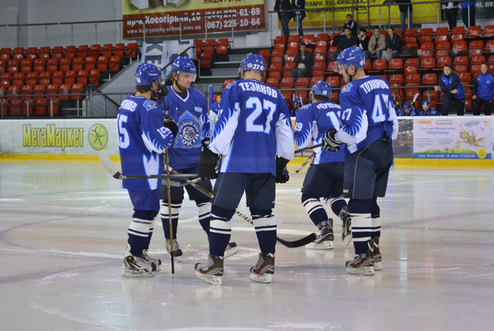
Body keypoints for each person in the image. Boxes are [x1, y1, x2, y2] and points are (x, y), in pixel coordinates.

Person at [194, 53, 295, 285]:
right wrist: (281, 162)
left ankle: (215, 263)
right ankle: (267, 262)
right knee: (263, 214)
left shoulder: (235, 88)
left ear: (242, 70)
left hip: (236, 163)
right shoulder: (278, 95)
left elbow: (227, 121)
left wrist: (212, 151)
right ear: (263, 73)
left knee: (220, 212)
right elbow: (285, 134)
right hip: (266, 165)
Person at [322, 47, 398, 276]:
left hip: (365, 152)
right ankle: (375, 254)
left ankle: (363, 257)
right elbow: (393, 123)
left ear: (352, 67)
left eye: (342, 67)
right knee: (371, 202)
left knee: (357, 204)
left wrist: (335, 137)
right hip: (385, 149)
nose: (341, 72)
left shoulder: (349, 89)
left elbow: (356, 131)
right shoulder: (382, 83)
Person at [160, 57, 238, 262]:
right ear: (174, 75)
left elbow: (204, 125)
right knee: (172, 203)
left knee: (205, 201)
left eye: (191, 75)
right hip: (172, 162)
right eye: (185, 75)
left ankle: (214, 239)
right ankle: (171, 239)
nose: (189, 79)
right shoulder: (164, 96)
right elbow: (155, 125)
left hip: (194, 160)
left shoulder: (196, 96)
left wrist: (207, 148)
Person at [118, 63, 177, 278]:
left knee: (148, 211)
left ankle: (140, 252)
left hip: (132, 166)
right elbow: (158, 143)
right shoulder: (148, 107)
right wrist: (170, 130)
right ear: (152, 83)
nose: (160, 86)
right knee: (144, 213)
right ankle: (132, 257)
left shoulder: (127, 103)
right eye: (159, 82)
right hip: (146, 169)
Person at [294, 81, 352, 250]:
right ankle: (345, 214)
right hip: (345, 161)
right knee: (332, 195)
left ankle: (325, 230)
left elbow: (302, 142)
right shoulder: (341, 109)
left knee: (308, 197)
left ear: (312, 95)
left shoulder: (308, 109)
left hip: (324, 161)